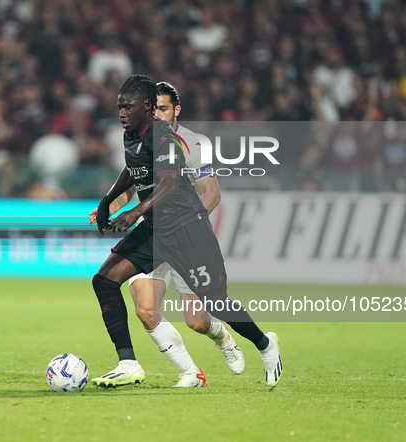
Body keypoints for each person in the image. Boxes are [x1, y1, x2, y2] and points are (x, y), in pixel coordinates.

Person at [89, 75, 282, 389]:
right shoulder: (131, 133)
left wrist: (135, 211)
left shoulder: (165, 137)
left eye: (128, 107)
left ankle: (264, 344)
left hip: (187, 231)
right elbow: (132, 168)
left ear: (148, 108)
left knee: (215, 305)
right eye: (119, 107)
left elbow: (170, 183)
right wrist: (108, 199)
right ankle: (128, 362)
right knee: (105, 280)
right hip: (155, 231)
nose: (121, 113)